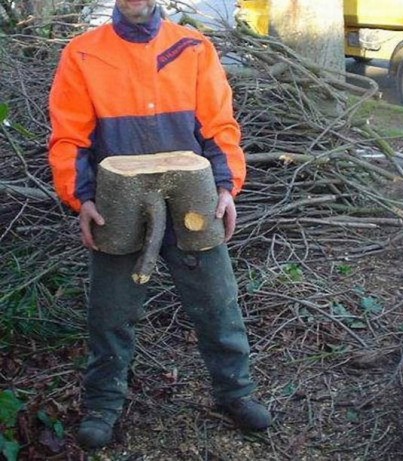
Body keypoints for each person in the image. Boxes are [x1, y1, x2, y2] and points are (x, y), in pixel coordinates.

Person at [48, 0, 271, 450]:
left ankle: (236, 392)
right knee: (110, 314)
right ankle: (103, 403)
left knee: (218, 303)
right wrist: (82, 198)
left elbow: (219, 125)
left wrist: (226, 186)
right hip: (119, 202)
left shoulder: (192, 47)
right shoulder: (83, 53)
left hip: (192, 197)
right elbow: (69, 135)